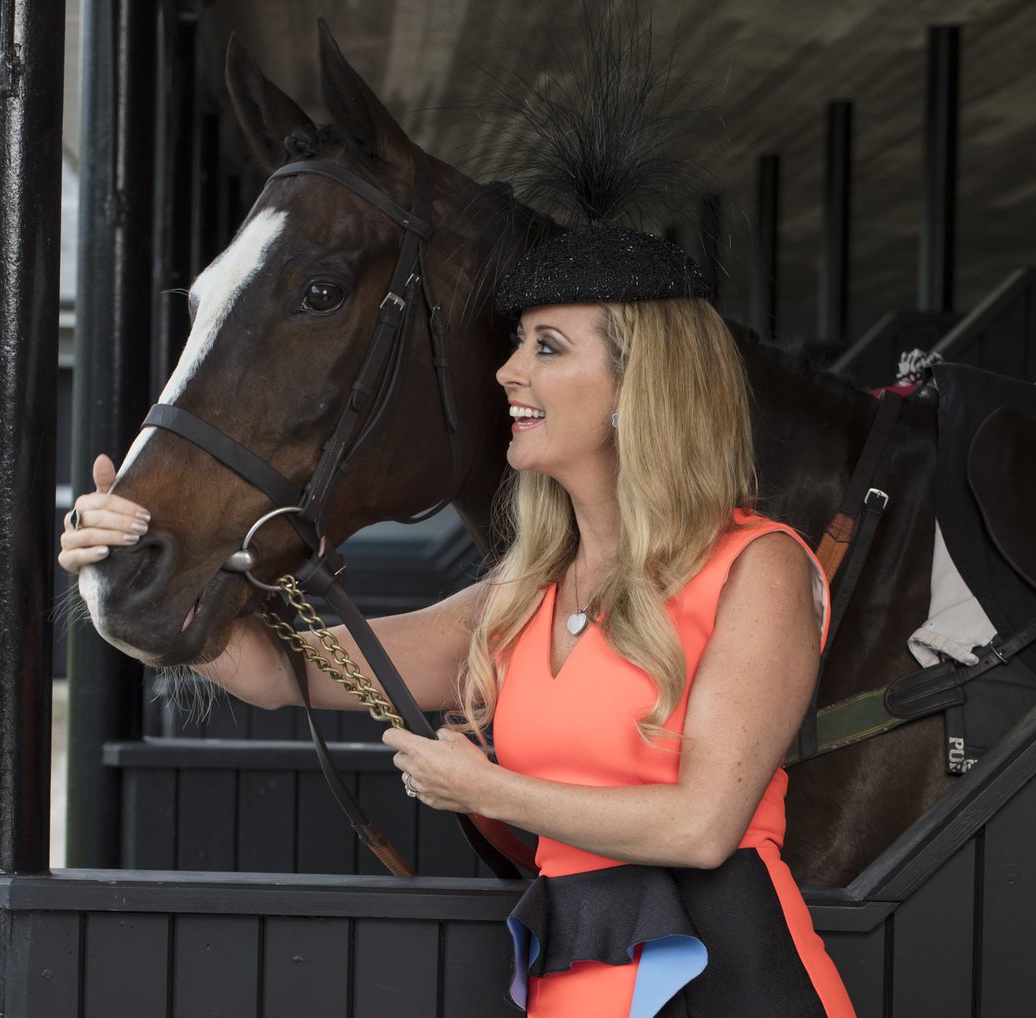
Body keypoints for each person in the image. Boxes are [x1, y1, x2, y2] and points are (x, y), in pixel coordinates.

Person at [59, 224, 855, 1017]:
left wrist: (488, 789)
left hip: (736, 987)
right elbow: (274, 672)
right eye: (517, 344)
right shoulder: (524, 593)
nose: (508, 371)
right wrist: (136, 568)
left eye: (547, 347)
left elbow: (702, 827)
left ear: (640, 386)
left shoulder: (759, 568)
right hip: (575, 988)